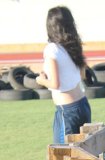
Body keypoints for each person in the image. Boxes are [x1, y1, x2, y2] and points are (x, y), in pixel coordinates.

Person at [36, 6, 91, 144]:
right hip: (82, 104)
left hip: (67, 110)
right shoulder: (74, 45)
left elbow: (55, 84)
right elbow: (82, 75)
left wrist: (40, 80)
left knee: (64, 155)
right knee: (85, 152)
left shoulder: (52, 49)